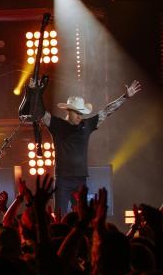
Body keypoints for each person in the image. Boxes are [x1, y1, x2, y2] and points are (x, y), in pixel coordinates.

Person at [28, 78, 141, 216]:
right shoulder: (57, 125)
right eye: (77, 113)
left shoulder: (86, 125)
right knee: (60, 215)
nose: (80, 116)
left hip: (81, 179)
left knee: (83, 216)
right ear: (68, 111)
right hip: (63, 179)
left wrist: (125, 97)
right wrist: (33, 92)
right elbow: (40, 113)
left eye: (82, 113)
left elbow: (107, 111)